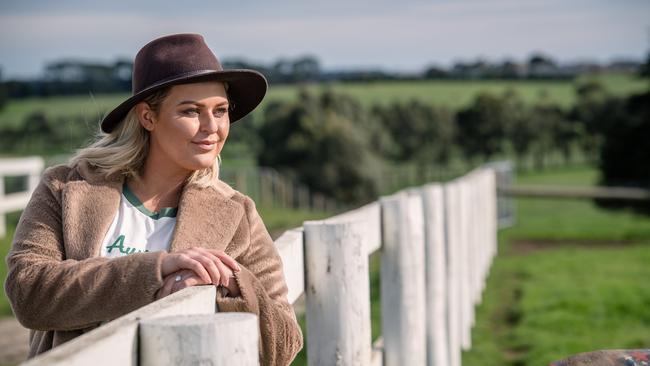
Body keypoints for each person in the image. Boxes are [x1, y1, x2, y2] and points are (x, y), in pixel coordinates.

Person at [3, 33, 303, 366]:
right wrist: (156, 270)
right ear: (148, 117)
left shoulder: (237, 214)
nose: (211, 127)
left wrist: (226, 283)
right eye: (191, 111)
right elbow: (28, 292)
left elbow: (285, 343)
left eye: (220, 111)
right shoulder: (65, 187)